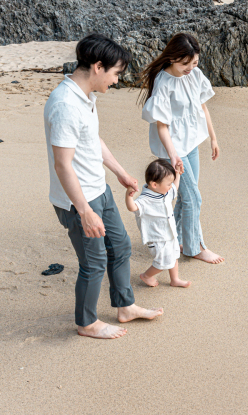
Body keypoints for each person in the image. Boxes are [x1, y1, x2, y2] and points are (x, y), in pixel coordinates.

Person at [45, 33, 163, 340]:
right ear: (98, 67)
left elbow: (92, 141)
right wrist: (84, 211)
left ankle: (125, 306)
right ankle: (86, 323)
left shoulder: (86, 96)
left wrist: (120, 173)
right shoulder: (65, 105)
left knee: (121, 247)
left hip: (100, 190)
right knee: (94, 263)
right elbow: (63, 164)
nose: (117, 80)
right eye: (116, 73)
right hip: (78, 201)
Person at [139, 33, 224, 265]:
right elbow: (162, 125)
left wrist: (213, 139)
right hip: (173, 147)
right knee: (193, 198)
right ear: (172, 59)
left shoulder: (195, 75)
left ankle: (173, 239)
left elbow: (203, 108)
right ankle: (195, 247)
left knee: (187, 197)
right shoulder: (163, 82)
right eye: (185, 63)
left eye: (194, 62)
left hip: (192, 141)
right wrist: (173, 155)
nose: (190, 68)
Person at [125, 159, 190, 288]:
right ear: (154, 184)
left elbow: (175, 188)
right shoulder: (145, 200)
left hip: (170, 233)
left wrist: (177, 174)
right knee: (163, 262)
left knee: (174, 255)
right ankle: (146, 275)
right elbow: (132, 207)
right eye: (168, 183)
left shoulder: (164, 192)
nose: (170, 186)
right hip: (157, 238)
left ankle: (175, 279)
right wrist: (129, 196)